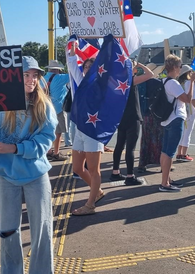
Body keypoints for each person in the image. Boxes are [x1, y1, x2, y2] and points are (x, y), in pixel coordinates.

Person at [0, 56, 58, 274]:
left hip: (36, 176)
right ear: (14, 77)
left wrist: (14, 147)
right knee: (7, 233)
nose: (31, 79)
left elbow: (45, 142)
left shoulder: (44, 106)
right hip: (6, 178)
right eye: (26, 75)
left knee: (41, 232)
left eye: (34, 75)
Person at [66, 41, 106, 216]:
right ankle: (97, 191)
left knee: (93, 169)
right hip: (80, 129)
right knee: (77, 168)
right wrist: (72, 50)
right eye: (86, 66)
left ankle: (90, 205)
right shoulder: (79, 83)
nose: (87, 69)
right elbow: (71, 63)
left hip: (93, 131)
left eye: (91, 66)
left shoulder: (101, 85)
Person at [110, 61, 155, 185]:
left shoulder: (116, 82)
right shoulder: (131, 81)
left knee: (119, 146)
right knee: (130, 148)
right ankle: (130, 176)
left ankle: (115, 172)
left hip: (122, 116)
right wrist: (140, 65)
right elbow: (150, 74)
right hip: (133, 116)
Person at [158, 55, 194, 192]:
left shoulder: (164, 81)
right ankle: (164, 183)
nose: (180, 69)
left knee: (165, 151)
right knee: (169, 152)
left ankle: (166, 179)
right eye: (179, 66)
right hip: (175, 119)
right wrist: (191, 83)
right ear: (174, 67)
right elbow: (187, 99)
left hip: (167, 120)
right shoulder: (173, 83)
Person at [44, 59, 70, 161]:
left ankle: (48, 151)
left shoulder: (43, 78)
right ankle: (56, 153)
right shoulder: (60, 78)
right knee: (58, 132)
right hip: (58, 108)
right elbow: (74, 74)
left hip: (46, 108)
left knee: (48, 131)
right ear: (58, 69)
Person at [137, 76, 164, 173]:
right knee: (160, 139)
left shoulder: (141, 83)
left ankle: (142, 163)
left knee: (145, 138)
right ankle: (162, 163)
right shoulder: (159, 82)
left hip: (145, 113)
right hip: (157, 114)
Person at [176, 65, 195, 162]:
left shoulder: (179, 83)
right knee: (188, 132)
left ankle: (179, 153)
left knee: (182, 132)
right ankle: (184, 154)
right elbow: (193, 99)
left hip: (182, 109)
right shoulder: (189, 83)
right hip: (190, 110)